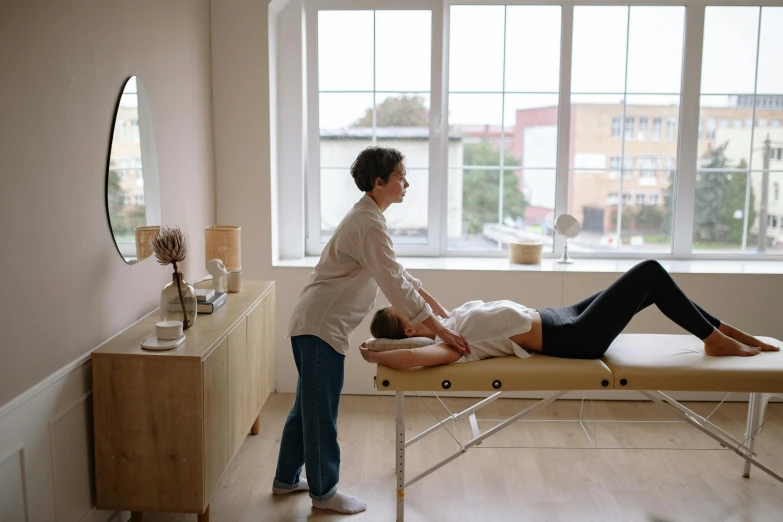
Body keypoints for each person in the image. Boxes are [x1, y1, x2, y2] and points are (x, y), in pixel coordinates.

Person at [273, 146, 470, 514]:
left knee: (306, 410)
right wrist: (441, 332)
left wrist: (442, 315)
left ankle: (285, 479)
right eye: (400, 177)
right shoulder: (367, 223)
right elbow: (396, 284)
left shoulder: (370, 219)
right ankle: (325, 492)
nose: (406, 183)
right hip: (319, 327)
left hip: (315, 324)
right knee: (320, 414)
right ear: (379, 183)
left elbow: (401, 276)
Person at [361, 260, 780, 371]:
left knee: (652, 284)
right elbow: (414, 359)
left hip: (562, 314)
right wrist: (377, 353)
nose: (410, 303)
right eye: (405, 311)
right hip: (574, 337)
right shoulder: (451, 346)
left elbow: (414, 290)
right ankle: (714, 338)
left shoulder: (445, 321)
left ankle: (719, 330)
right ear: (410, 327)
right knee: (649, 271)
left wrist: (400, 286)